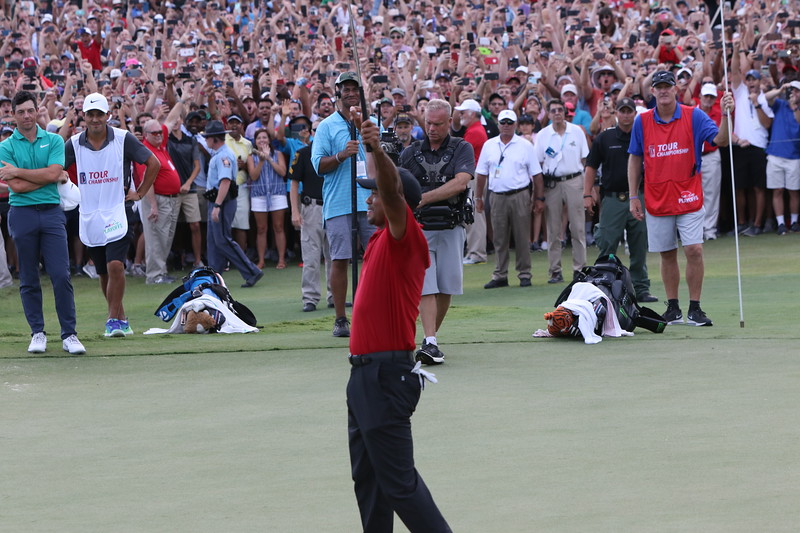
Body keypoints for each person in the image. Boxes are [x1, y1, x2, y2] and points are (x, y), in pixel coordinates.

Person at [347, 110, 451, 533]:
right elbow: (385, 188)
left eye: (374, 194)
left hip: (385, 377)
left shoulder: (404, 236)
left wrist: (377, 148)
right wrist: (371, 150)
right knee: (369, 482)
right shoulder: (378, 238)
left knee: (400, 484)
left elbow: (390, 190)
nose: (369, 198)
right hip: (363, 377)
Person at [628, 71, 733, 327]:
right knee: (666, 253)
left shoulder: (693, 114)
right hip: (657, 197)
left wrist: (727, 115)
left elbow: (720, 140)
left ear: (676, 89)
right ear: (652, 91)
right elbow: (635, 158)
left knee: (694, 249)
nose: (663, 91)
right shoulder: (641, 121)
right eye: (659, 87)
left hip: (688, 194)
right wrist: (633, 195)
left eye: (667, 86)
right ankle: (673, 307)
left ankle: (695, 308)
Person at [64, 92, 160, 337]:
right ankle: (121, 319)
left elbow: (153, 163)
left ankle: (112, 321)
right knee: (104, 272)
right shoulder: (74, 143)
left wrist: (139, 193)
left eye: (99, 114)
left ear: (108, 115)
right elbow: (56, 169)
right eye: (90, 114)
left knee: (116, 265)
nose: (95, 119)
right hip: (89, 214)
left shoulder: (123, 138)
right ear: (84, 116)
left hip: (118, 210)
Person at [0, 91, 85, 354]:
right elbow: (16, 186)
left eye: (30, 110)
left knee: (61, 274)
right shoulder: (5, 146)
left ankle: (69, 335)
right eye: (21, 111)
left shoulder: (54, 140)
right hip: (22, 212)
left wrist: (21, 172)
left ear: (37, 111)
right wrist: (45, 177)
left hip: (50, 212)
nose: (27, 115)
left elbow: (55, 172)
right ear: (13, 115)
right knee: (28, 276)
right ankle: (37, 332)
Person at [398, 99, 475, 365]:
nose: (432, 128)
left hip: (452, 224)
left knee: (447, 285)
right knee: (426, 285)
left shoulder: (461, 148)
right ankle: (430, 340)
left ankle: (430, 339)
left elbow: (461, 182)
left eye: (438, 124)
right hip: (421, 228)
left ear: (449, 121)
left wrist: (424, 197)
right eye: (429, 123)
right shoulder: (410, 152)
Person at [311, 72, 376, 337]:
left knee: (375, 259)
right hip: (339, 202)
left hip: (370, 200)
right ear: (337, 92)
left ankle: (373, 313)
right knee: (340, 259)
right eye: (345, 88)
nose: (350, 92)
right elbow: (318, 165)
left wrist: (366, 133)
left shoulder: (370, 122)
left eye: (354, 88)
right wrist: (340, 155)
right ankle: (340, 318)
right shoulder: (327, 126)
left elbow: (384, 153)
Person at [584, 97, 657, 303]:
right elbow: (590, 166)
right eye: (622, 111)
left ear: (635, 113)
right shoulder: (605, 138)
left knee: (639, 243)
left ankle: (640, 288)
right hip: (613, 197)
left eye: (629, 111)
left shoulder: (643, 135)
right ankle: (603, 285)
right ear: (616, 113)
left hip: (639, 195)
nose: (626, 115)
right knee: (607, 242)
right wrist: (587, 194)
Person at [476, 109, 544, 288]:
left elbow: (537, 175)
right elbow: (481, 174)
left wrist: (539, 198)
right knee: (499, 237)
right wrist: (478, 197)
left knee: (522, 236)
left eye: (509, 123)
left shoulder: (525, 145)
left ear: (515, 125)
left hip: (519, 194)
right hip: (497, 195)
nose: (506, 126)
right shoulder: (489, 145)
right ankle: (500, 274)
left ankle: (524, 274)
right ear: (498, 124)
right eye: (503, 122)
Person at [534, 98, 590, 284]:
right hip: (552, 184)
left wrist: (588, 186)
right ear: (549, 114)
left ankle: (580, 269)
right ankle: (555, 270)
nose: (557, 113)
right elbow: (539, 163)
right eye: (553, 110)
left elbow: (585, 160)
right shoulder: (542, 135)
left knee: (578, 227)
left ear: (565, 113)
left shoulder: (577, 132)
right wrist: (539, 193)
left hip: (574, 179)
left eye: (560, 110)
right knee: (553, 229)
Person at [204, 120, 264, 288]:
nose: (206, 141)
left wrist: (217, 206)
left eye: (208, 137)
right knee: (214, 241)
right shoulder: (220, 153)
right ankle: (214, 278)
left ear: (214, 139)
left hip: (221, 201)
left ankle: (251, 271)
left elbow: (225, 181)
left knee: (223, 240)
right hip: (218, 200)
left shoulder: (224, 155)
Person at [136, 117, 183, 285]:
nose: (158, 135)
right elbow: (146, 181)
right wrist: (153, 205)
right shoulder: (145, 151)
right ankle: (154, 275)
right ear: (145, 135)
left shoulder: (160, 147)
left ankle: (161, 272)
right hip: (157, 200)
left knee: (165, 238)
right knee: (155, 237)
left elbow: (172, 119)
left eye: (159, 132)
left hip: (170, 199)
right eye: (154, 133)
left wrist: (181, 97)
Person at [453, 99, 489, 266]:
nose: (460, 115)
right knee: (473, 213)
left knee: (474, 214)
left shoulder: (475, 132)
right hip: (473, 174)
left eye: (463, 112)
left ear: (472, 114)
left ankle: (477, 253)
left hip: (473, 175)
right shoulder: (474, 130)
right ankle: (474, 252)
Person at [247, 128, 288, 269]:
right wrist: (261, 161)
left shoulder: (278, 154)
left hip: (277, 193)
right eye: (259, 138)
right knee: (261, 228)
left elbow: (283, 172)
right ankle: (261, 260)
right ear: (255, 141)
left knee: (278, 227)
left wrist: (269, 158)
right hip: (259, 194)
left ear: (269, 140)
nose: (262, 140)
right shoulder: (251, 157)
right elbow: (253, 176)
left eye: (264, 137)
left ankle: (281, 259)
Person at [763, 81, 800, 235]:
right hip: (775, 154)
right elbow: (765, 97)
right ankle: (780, 224)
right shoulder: (779, 103)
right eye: (792, 90)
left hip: (794, 155)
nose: (794, 93)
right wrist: (780, 90)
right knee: (777, 190)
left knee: (793, 191)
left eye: (797, 91)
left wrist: (795, 107)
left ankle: (794, 221)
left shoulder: (796, 108)